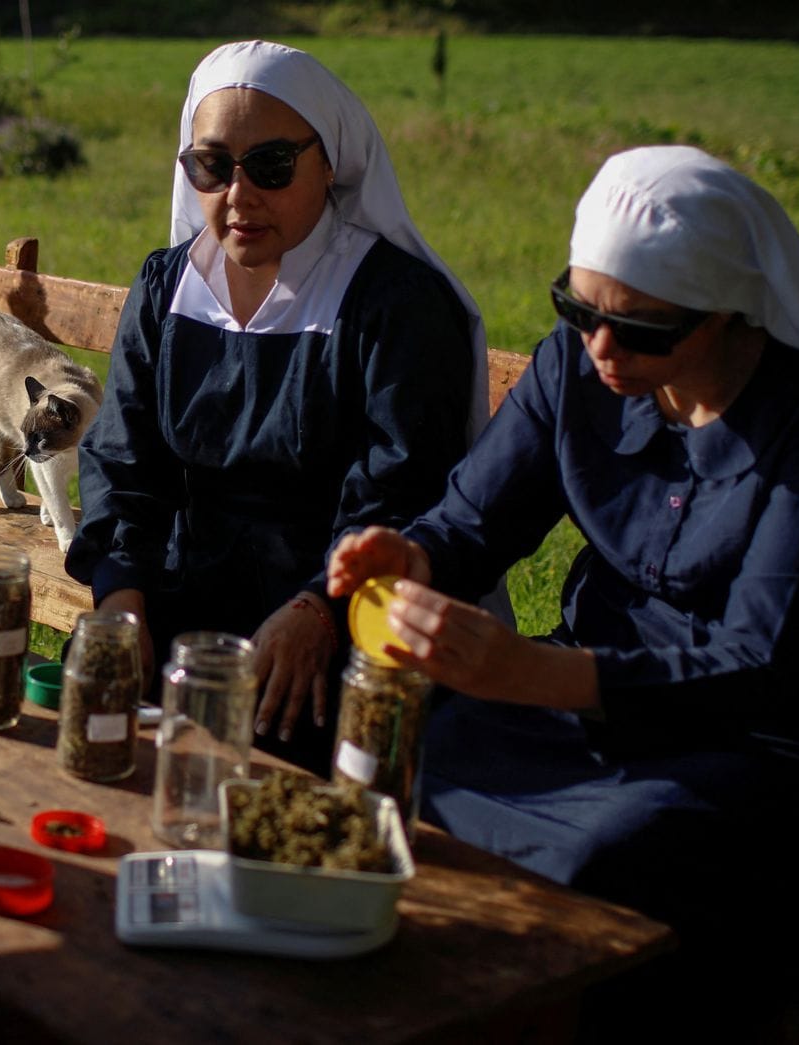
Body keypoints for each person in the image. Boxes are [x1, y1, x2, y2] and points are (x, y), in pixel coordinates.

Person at [327, 145, 799, 1008]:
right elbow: (473, 519)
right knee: (400, 747)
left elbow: (767, 664)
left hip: (796, 738)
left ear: (729, 312)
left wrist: (531, 674)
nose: (603, 347)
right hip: (603, 696)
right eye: (578, 309)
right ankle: (444, 988)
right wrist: (412, 555)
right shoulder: (577, 364)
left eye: (645, 327)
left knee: (615, 855)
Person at [64, 40, 499, 771]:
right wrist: (121, 594)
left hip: (331, 619)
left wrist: (319, 613)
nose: (238, 196)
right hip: (180, 601)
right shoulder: (168, 284)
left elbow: (404, 491)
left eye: (270, 166)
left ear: (328, 163)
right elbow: (122, 455)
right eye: (210, 166)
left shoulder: (393, 304)